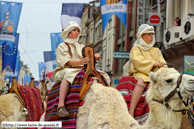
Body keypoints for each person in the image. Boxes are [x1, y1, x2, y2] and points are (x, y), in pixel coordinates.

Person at [51, 21, 110, 117]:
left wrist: (93, 57)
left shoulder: (81, 46)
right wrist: (81, 62)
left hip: (81, 69)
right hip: (66, 69)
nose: (77, 32)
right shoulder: (63, 46)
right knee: (68, 74)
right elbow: (66, 61)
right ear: (68, 32)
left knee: (104, 75)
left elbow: (87, 58)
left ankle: (107, 99)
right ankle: (61, 105)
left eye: (78, 30)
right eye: (74, 30)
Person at [128, 24, 166, 118]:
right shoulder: (136, 48)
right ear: (141, 36)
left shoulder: (156, 50)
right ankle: (131, 111)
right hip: (140, 72)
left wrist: (167, 69)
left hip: (155, 73)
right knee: (142, 81)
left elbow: (163, 63)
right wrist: (154, 64)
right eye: (149, 34)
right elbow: (138, 61)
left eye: (152, 34)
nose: (152, 36)